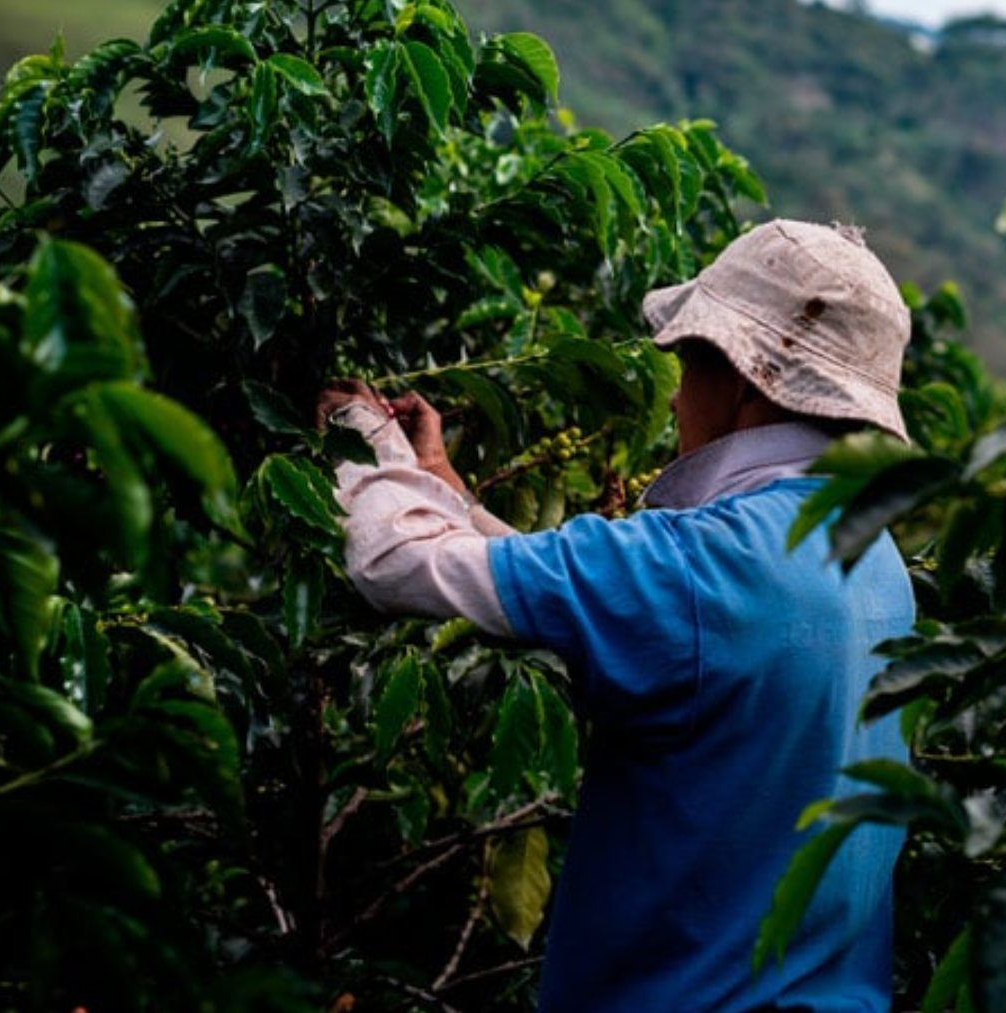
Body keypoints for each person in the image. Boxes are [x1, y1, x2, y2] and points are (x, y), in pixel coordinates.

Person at [318, 219, 916, 1012]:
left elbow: (393, 562)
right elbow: (610, 594)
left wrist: (368, 445)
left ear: (745, 377)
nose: (674, 393)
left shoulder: (703, 564)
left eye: (689, 360)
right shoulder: (876, 562)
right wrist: (446, 489)